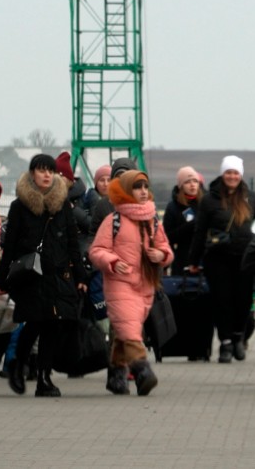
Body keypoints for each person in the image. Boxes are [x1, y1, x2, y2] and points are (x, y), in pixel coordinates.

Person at [0, 153, 88, 398]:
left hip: (58, 276)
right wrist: (0, 280)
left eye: (50, 170)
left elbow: (72, 244)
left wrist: (80, 277)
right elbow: (11, 247)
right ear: (32, 173)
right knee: (35, 323)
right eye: (41, 170)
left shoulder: (63, 205)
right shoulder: (19, 207)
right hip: (31, 276)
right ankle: (18, 365)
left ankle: (43, 378)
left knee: (52, 327)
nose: (47, 174)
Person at [89, 169, 174, 396]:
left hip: (145, 284)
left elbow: (166, 249)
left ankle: (117, 376)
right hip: (119, 283)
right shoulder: (113, 220)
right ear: (127, 191)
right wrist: (112, 261)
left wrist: (161, 256)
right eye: (138, 187)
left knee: (124, 330)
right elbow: (96, 251)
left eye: (146, 187)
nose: (143, 192)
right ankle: (142, 371)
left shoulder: (152, 219)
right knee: (130, 328)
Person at [187, 155, 255, 364]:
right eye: (228, 172)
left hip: (245, 259)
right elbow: (199, 231)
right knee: (222, 302)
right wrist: (193, 261)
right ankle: (225, 343)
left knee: (243, 302)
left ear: (240, 175)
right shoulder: (209, 200)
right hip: (217, 259)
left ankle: (238, 337)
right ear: (223, 174)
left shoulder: (253, 198)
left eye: (235, 173)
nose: (232, 176)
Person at [162, 166, 203, 274]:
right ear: (181, 186)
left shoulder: (206, 203)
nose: (192, 185)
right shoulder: (173, 206)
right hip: (182, 260)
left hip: (205, 260)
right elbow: (167, 237)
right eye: (187, 182)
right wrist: (190, 226)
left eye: (195, 181)